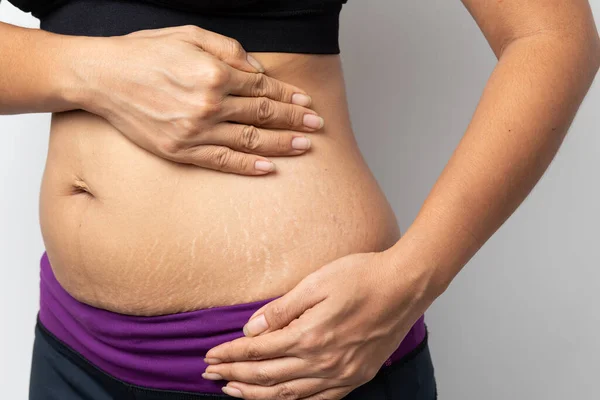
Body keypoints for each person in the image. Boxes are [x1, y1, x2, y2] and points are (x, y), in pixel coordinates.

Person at [1, 0, 598, 399]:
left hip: (300, 360)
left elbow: (550, 35)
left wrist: (416, 274)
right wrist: (90, 69)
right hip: (71, 353)